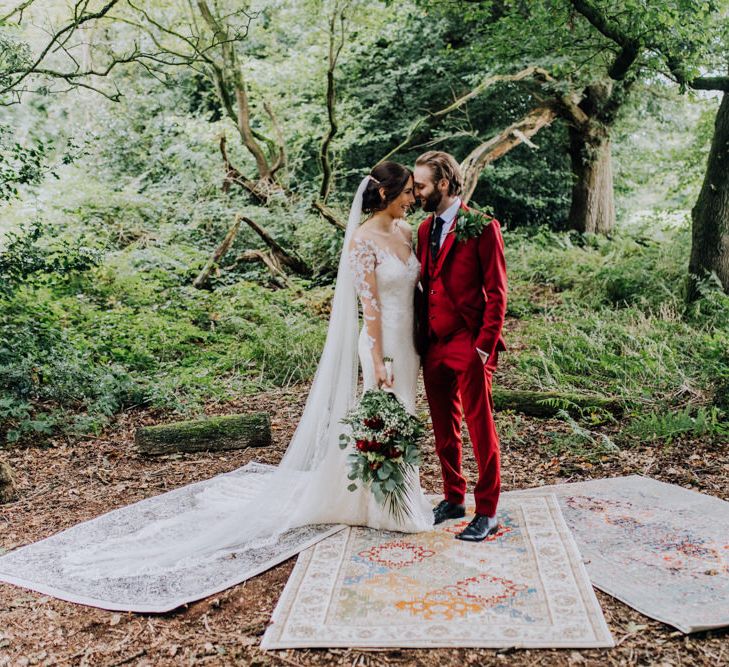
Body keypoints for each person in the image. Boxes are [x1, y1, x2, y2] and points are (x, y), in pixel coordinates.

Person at [0, 163, 432, 611]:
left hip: (409, 342)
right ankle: (387, 505)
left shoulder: (406, 232)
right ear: (382, 193)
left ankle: (382, 494)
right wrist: (378, 359)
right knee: (385, 412)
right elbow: (371, 306)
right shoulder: (362, 240)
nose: (410, 199)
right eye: (404, 192)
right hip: (382, 345)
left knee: (405, 414)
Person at [413, 150, 507, 542]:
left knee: (480, 427)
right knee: (443, 428)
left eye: (421, 185)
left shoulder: (483, 227)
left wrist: (484, 347)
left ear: (445, 185)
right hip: (433, 343)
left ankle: (487, 511)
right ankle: (453, 497)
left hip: (469, 342)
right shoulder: (422, 230)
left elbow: (497, 293)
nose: (415, 191)